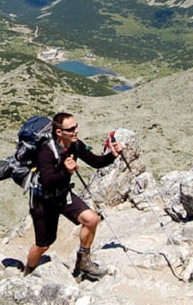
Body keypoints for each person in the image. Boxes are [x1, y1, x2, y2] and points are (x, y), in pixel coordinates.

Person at [23, 112, 124, 279]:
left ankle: (84, 262)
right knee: (44, 245)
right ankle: (28, 272)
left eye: (76, 126)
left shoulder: (75, 145)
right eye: (71, 129)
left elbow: (95, 162)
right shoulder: (46, 151)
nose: (76, 131)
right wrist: (66, 171)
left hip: (62, 196)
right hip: (43, 202)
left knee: (92, 219)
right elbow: (48, 181)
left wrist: (112, 155)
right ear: (59, 132)